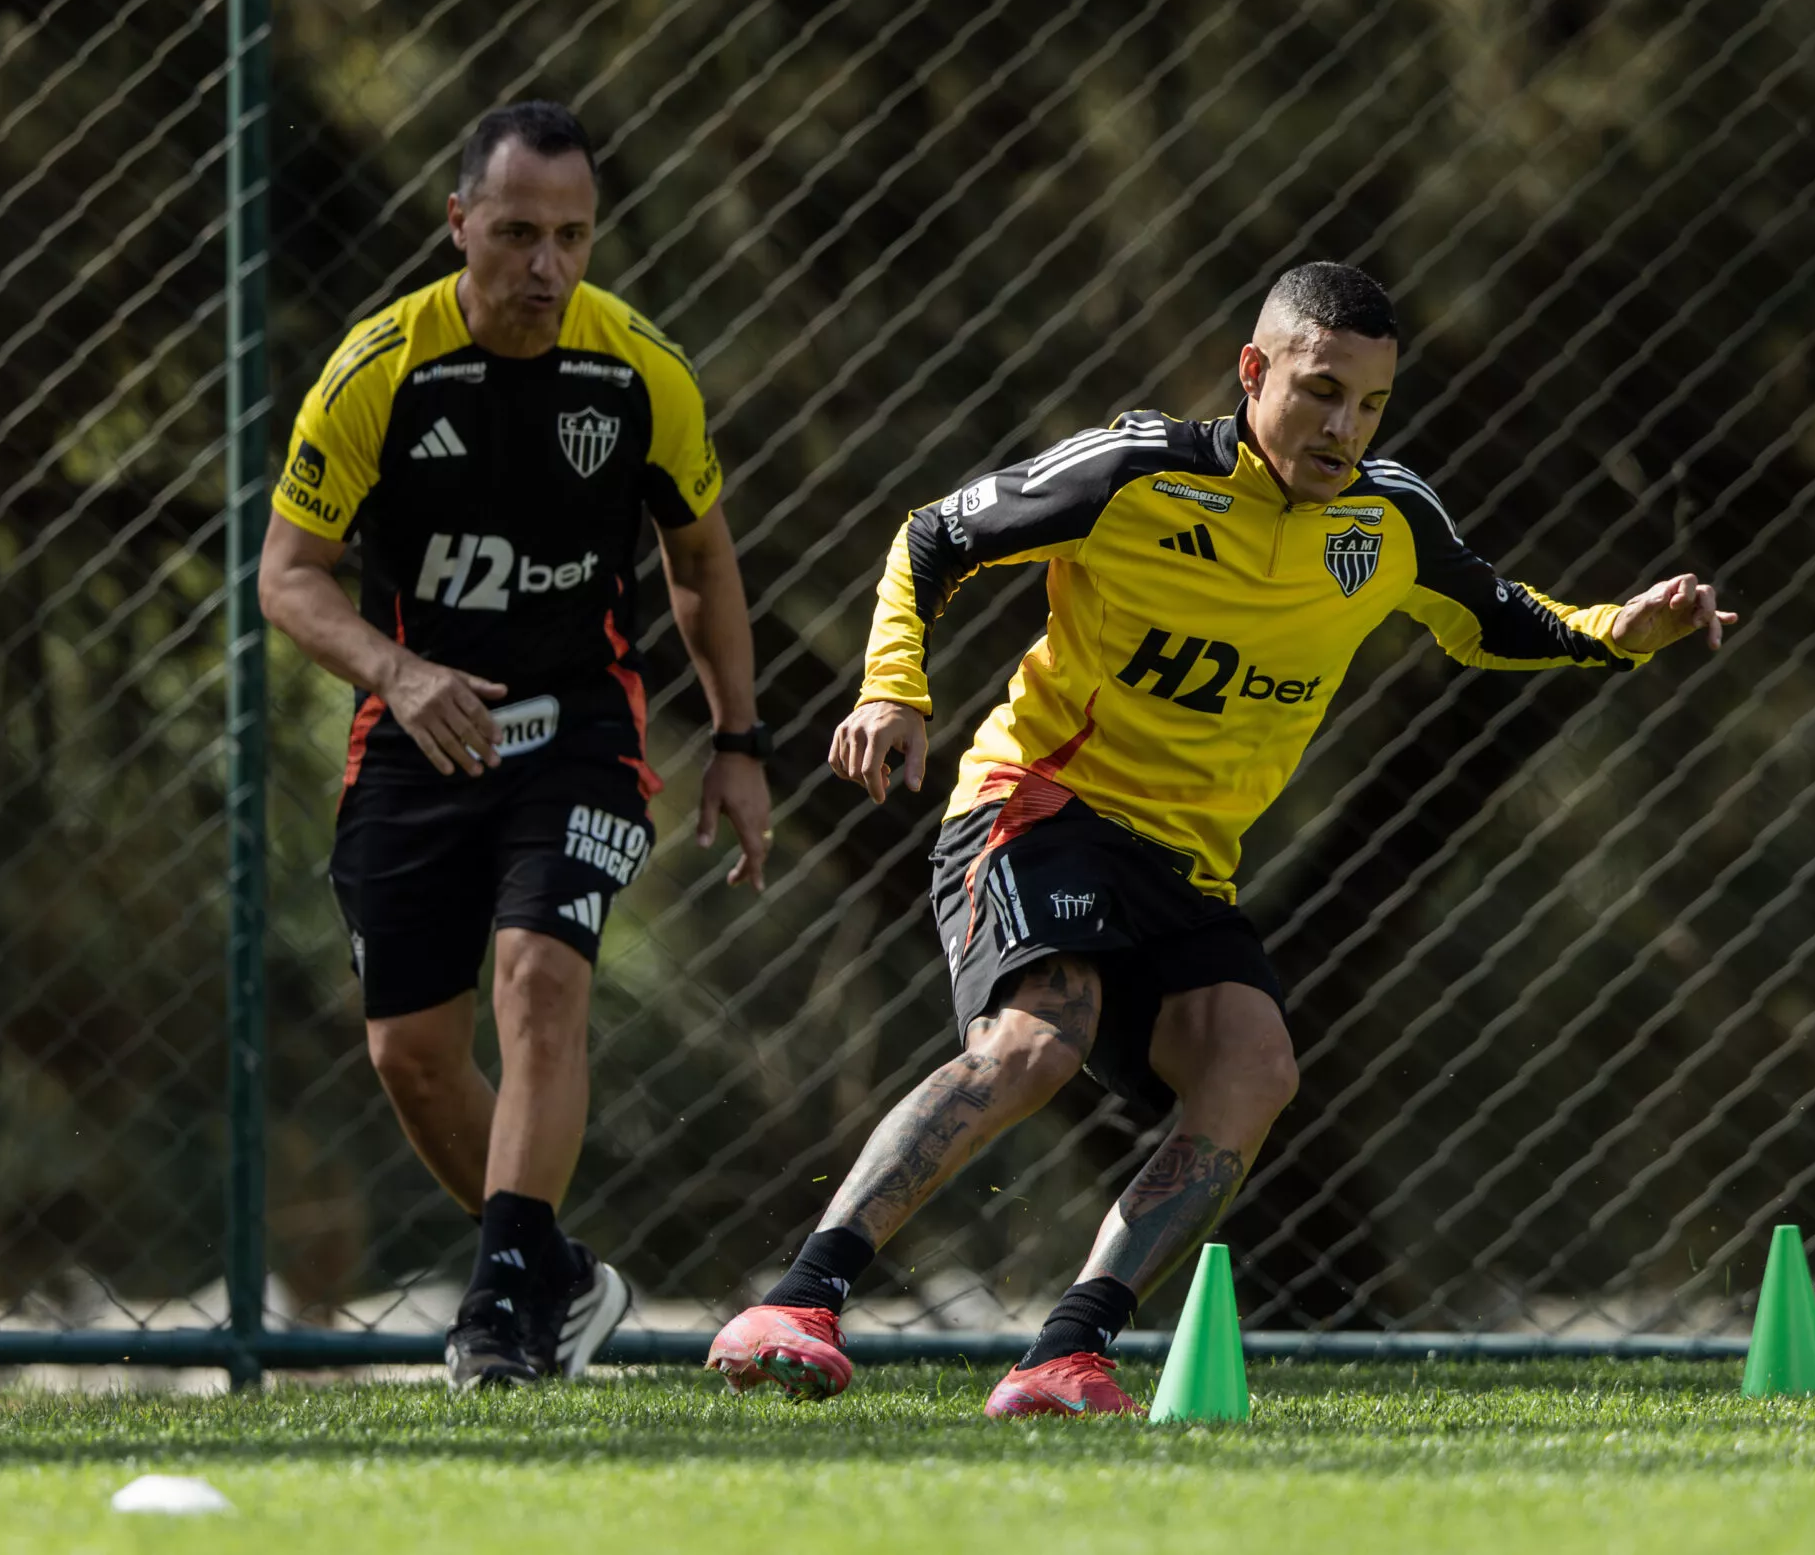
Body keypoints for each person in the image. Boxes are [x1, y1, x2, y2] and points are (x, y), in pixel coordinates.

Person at [707, 261, 1732, 1416]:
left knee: (1254, 1068)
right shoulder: (1135, 473)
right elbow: (933, 536)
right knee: (1041, 1041)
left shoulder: (1386, 520)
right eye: (1319, 391)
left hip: (1187, 862)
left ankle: (1066, 1355)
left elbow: (1494, 618)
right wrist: (894, 688)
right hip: (1042, 801)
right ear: (1253, 370)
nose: (1344, 428)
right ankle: (797, 1299)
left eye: (1370, 405)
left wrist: (1619, 630)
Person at [259, 101, 774, 1390]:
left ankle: (497, 1310)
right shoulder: (379, 372)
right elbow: (289, 575)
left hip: (581, 728)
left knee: (540, 980)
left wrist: (739, 738)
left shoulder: (639, 370)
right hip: (415, 732)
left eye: (572, 236)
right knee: (411, 1056)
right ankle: (560, 1275)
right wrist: (400, 670)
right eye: (515, 234)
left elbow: (698, 555)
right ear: (457, 228)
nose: (545, 266)